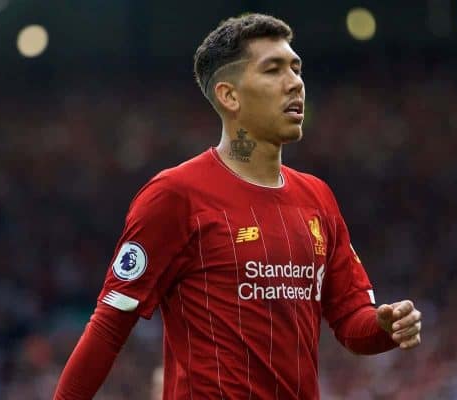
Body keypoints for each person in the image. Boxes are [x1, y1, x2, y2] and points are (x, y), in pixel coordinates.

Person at [54, 13, 422, 399]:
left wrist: (386, 327)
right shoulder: (175, 196)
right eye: (273, 70)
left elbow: (350, 321)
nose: (295, 82)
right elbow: (110, 326)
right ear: (230, 96)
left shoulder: (318, 198)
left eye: (296, 69)